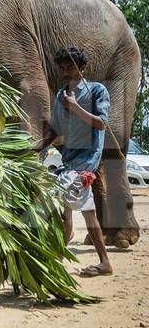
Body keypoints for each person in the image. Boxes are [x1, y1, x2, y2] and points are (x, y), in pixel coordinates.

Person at [34, 47, 113, 276]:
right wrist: (36, 147)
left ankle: (59, 261)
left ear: (82, 68)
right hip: (69, 161)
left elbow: (101, 124)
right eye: (63, 67)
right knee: (79, 211)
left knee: (70, 211)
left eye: (70, 67)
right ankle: (101, 262)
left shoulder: (97, 91)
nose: (65, 71)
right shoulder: (61, 94)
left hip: (86, 161)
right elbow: (55, 130)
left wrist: (75, 107)